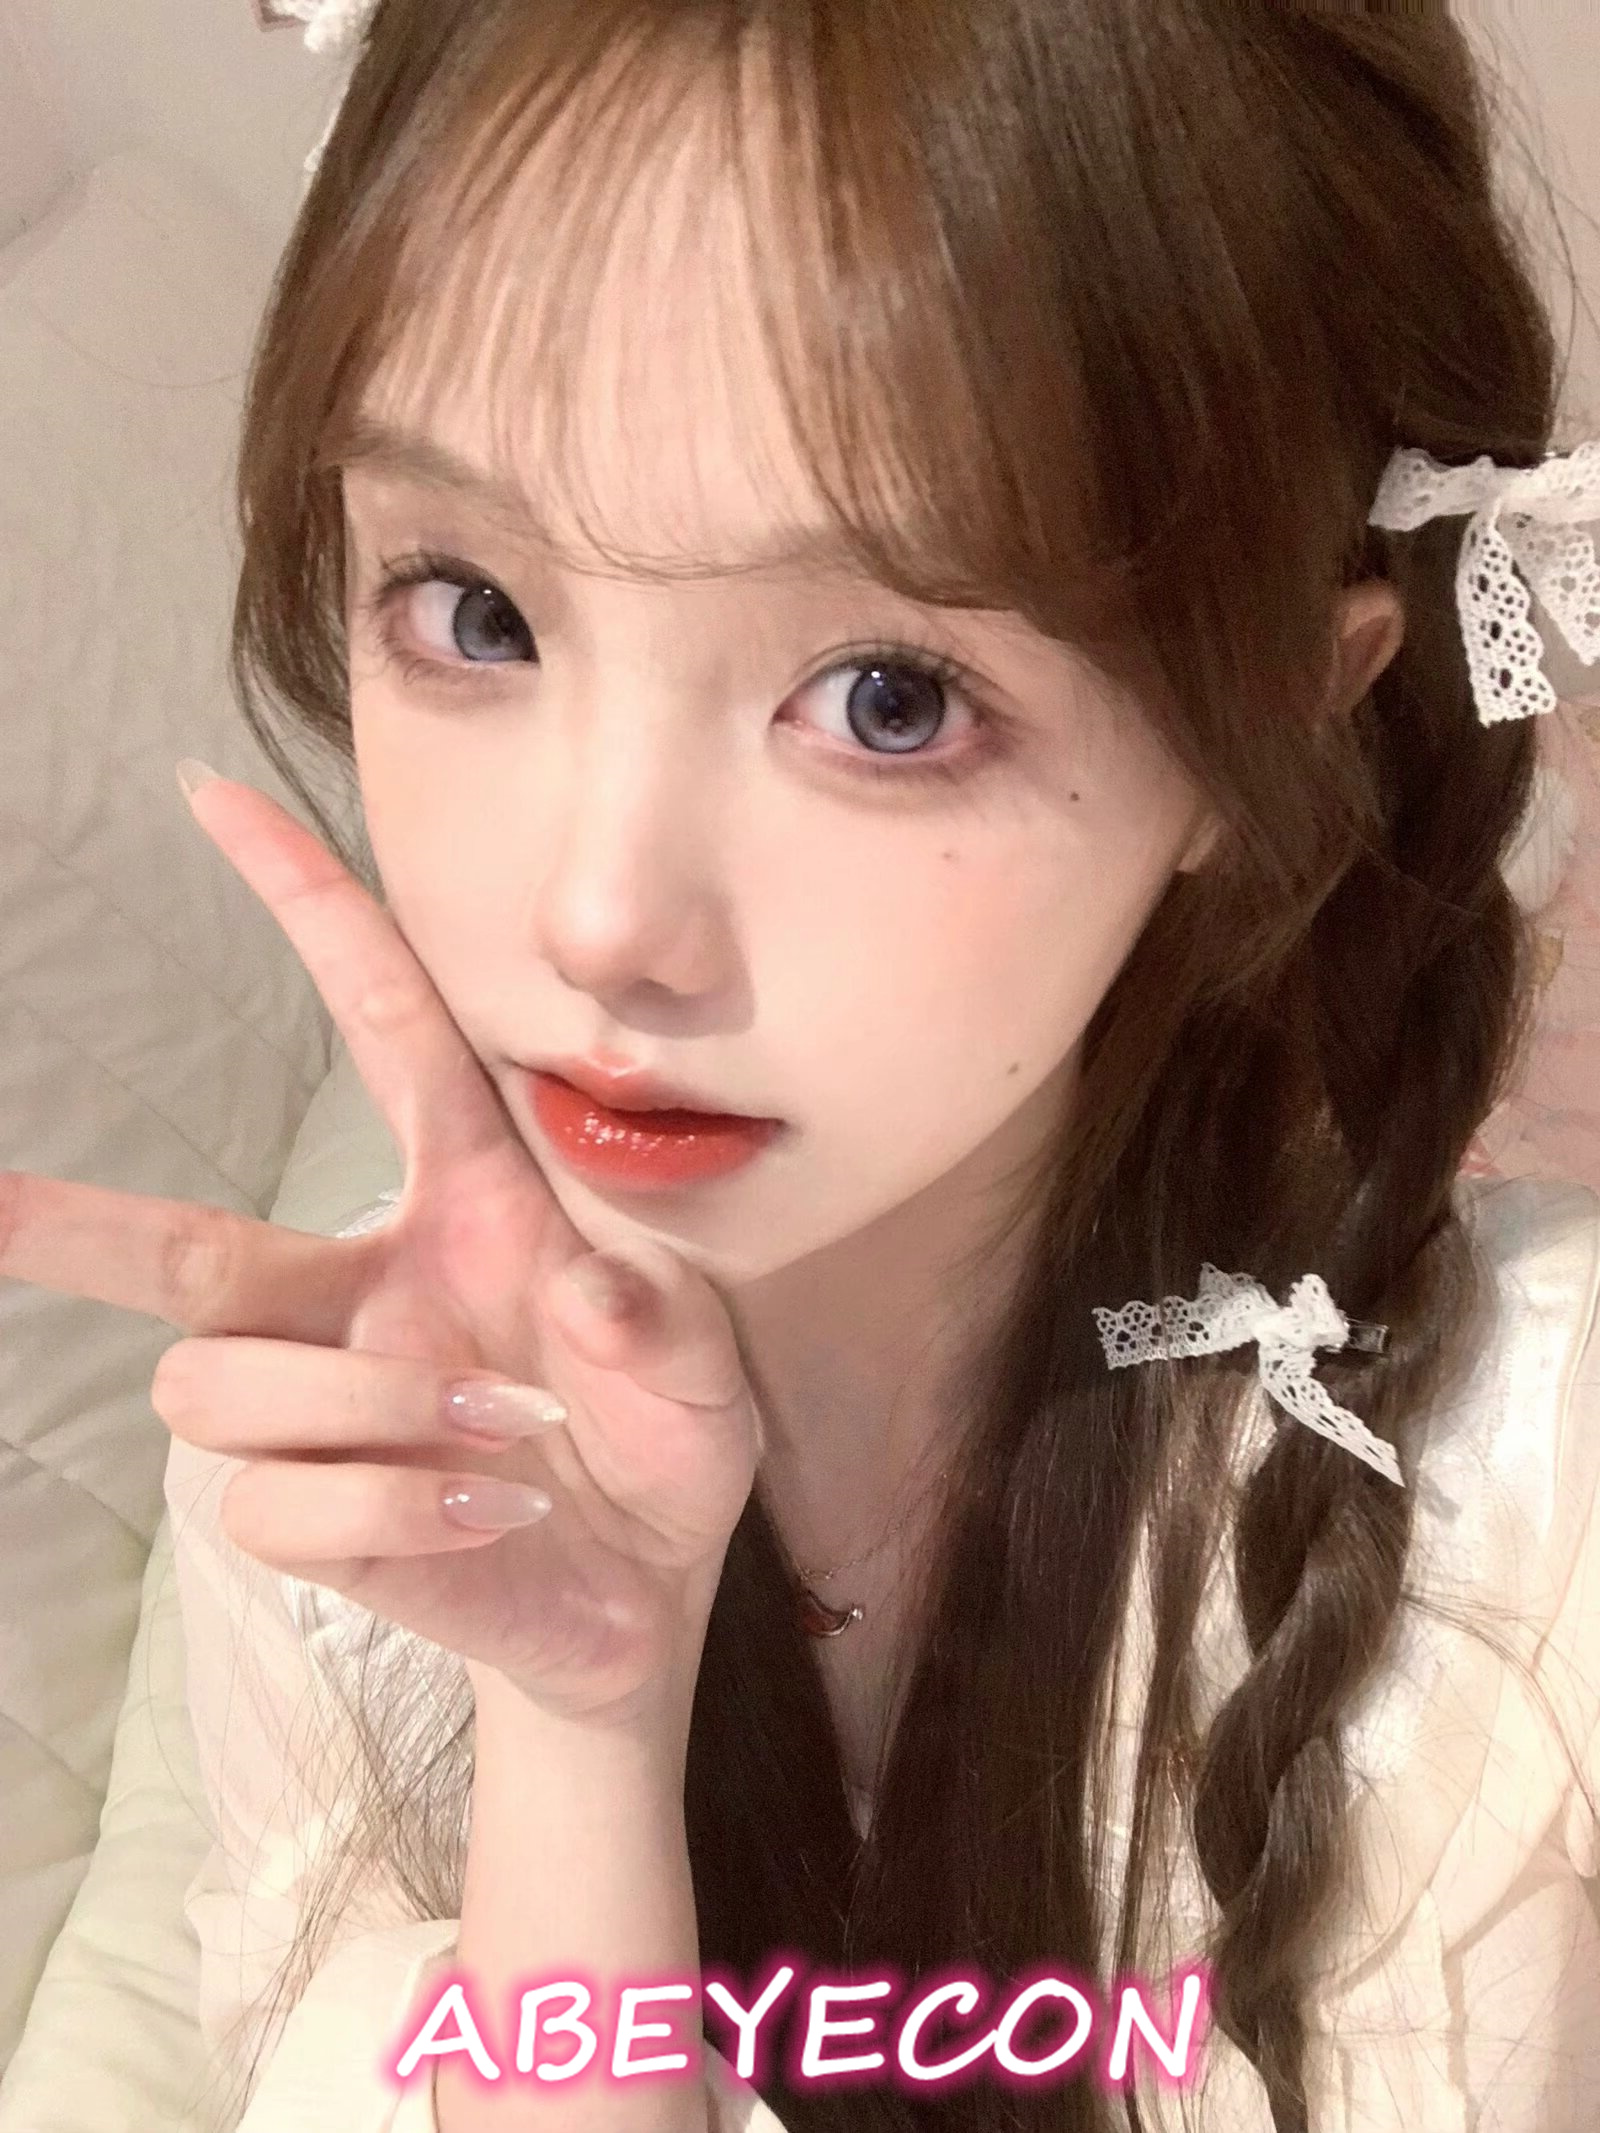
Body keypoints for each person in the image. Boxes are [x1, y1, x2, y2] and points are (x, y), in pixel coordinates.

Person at [4, 2, 1600, 2128]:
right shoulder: (369, 1478)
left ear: (1277, 725)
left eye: (885, 696)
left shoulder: (1532, 1529)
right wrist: (585, 1714)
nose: (596, 915)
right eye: (473, 609)